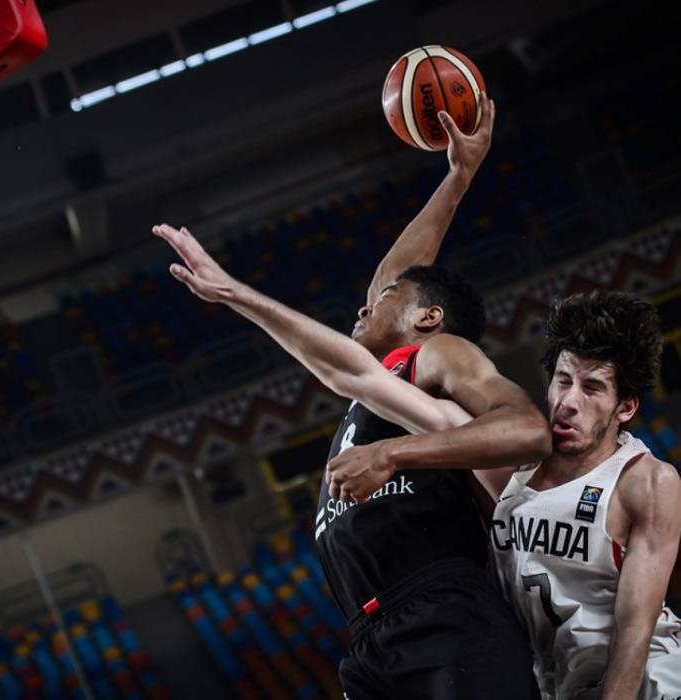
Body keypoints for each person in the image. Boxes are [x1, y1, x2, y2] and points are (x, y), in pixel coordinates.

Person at [152, 95, 551, 699]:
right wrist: (457, 177)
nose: (366, 302)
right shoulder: (383, 371)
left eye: (387, 297)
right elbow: (398, 272)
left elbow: (526, 427)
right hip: (371, 638)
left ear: (428, 318)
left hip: (443, 609)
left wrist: (394, 456)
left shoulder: (441, 354)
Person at [326, 290, 681, 699]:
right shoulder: (507, 472)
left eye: (592, 388)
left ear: (625, 408)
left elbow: (636, 625)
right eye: (562, 381)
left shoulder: (646, 480)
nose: (568, 402)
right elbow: (373, 381)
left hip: (650, 679)